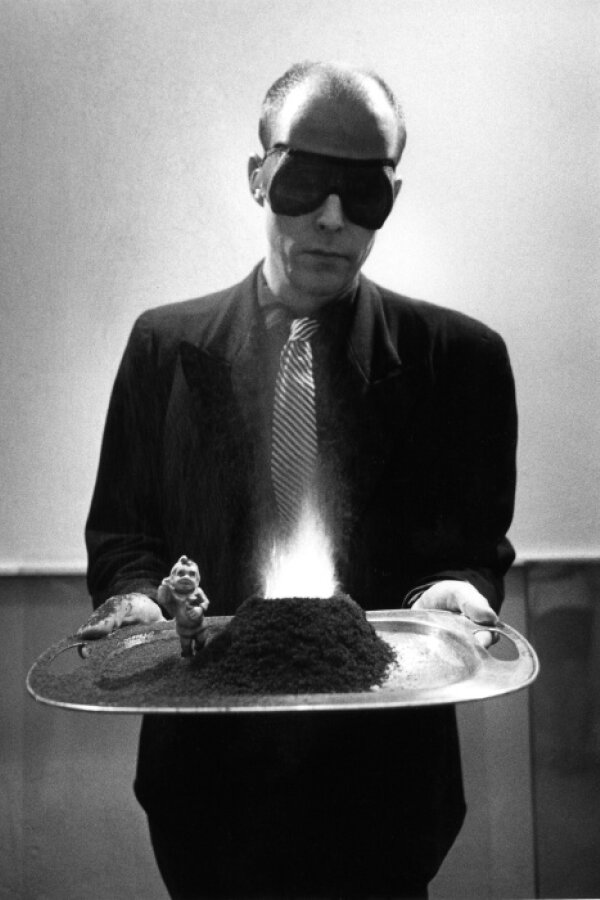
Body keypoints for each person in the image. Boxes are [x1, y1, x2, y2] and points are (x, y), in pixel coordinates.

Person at [80, 61, 517, 900]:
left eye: (363, 191)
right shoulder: (163, 350)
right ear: (259, 177)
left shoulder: (460, 364)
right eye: (306, 181)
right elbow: (126, 534)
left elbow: (471, 548)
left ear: (392, 196)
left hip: (387, 794)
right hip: (207, 788)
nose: (331, 217)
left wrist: (454, 590)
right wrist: (135, 598)